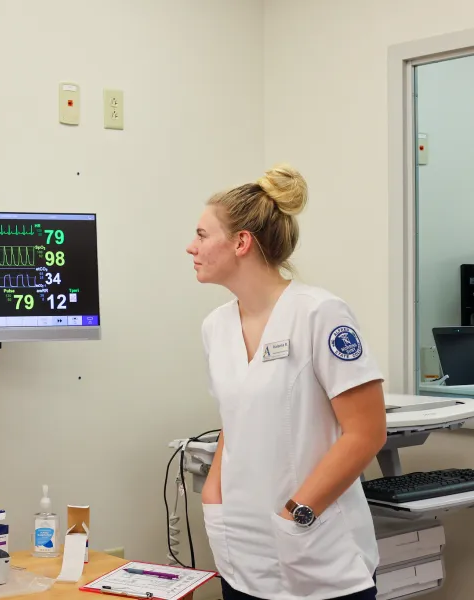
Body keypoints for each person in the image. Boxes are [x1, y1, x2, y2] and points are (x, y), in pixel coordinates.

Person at [185, 165, 386, 600]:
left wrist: (298, 513)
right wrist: (214, 501)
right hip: (242, 558)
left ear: (241, 242)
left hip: (319, 557)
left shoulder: (319, 313)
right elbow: (232, 421)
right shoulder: (215, 327)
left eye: (202, 235)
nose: (190, 247)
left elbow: (366, 432)